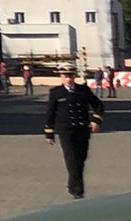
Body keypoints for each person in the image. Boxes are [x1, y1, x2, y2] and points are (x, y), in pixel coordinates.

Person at [44, 70, 105, 199]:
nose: (68, 79)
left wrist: (96, 120)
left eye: (70, 76)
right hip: (66, 131)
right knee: (72, 160)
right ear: (61, 77)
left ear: (74, 76)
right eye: (65, 76)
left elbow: (98, 105)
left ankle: (72, 185)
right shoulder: (56, 92)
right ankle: (78, 191)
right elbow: (50, 113)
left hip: (82, 129)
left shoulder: (83, 90)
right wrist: (49, 133)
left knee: (81, 159)